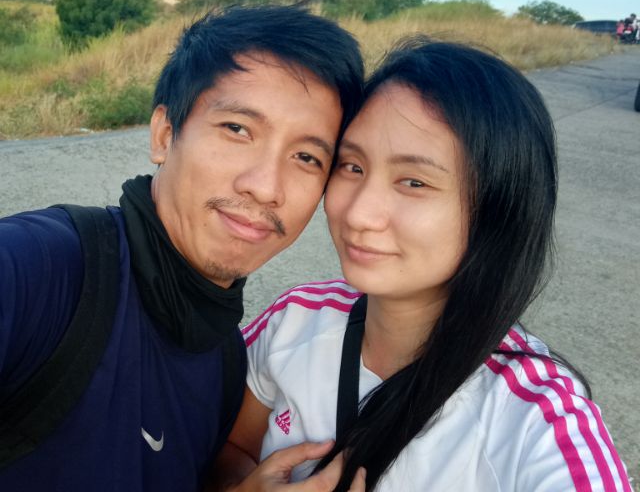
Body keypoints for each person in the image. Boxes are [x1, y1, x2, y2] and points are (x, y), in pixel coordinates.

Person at [216, 38, 632, 491]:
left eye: (414, 182)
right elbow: (229, 449)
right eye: (352, 166)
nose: (358, 213)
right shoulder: (296, 318)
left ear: (498, 209)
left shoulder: (535, 422)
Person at [0, 5, 366, 491]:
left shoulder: (226, 361)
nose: (266, 187)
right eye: (237, 129)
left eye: (306, 156)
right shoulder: (39, 269)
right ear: (164, 133)